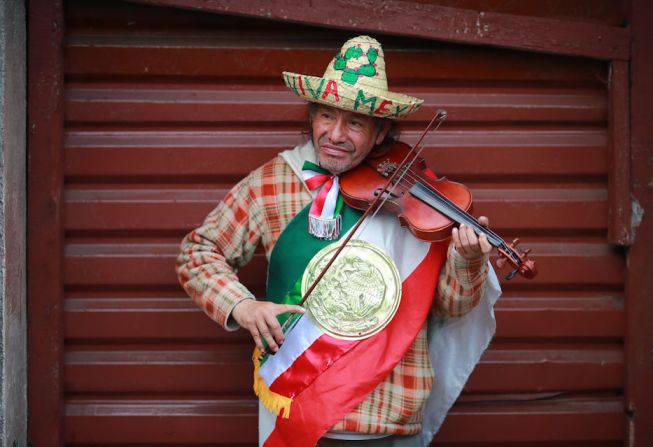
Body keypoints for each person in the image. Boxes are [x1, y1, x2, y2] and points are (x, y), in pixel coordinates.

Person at [176, 35, 501, 447]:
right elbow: (198, 253)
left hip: (392, 418)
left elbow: (452, 307)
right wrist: (241, 305)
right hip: (301, 415)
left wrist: (467, 261)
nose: (335, 134)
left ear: (382, 132)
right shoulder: (276, 181)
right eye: (326, 116)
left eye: (355, 123)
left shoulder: (411, 195)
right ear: (311, 116)